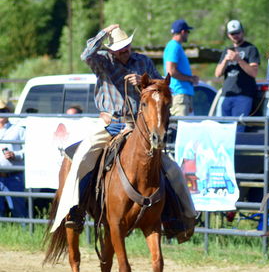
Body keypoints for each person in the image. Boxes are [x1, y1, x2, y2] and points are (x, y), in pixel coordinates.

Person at [53, 24, 197, 242]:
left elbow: (162, 86)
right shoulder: (102, 61)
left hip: (139, 126)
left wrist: (143, 82)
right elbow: (86, 53)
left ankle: (182, 219)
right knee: (82, 157)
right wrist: (104, 33)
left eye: (126, 47)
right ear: (111, 50)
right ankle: (76, 209)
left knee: (172, 169)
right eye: (119, 49)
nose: (124, 52)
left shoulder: (142, 61)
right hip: (110, 124)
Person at [214, 20, 260, 130]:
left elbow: (254, 72)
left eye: (237, 32)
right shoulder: (227, 50)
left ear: (242, 32)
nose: (235, 36)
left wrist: (238, 59)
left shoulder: (251, 49)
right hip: (226, 94)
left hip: (243, 95)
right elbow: (217, 74)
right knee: (220, 128)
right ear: (228, 35)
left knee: (237, 130)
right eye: (232, 33)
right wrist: (225, 59)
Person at [163, 19, 199, 116]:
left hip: (182, 94)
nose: (188, 34)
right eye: (188, 32)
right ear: (183, 32)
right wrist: (190, 78)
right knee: (179, 127)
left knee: (184, 127)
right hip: (179, 93)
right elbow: (171, 71)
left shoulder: (176, 46)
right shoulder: (174, 46)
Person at [0, 100, 26, 218]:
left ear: (8, 112)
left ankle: (25, 231)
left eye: (3, 111)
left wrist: (15, 154)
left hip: (14, 176)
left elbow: (29, 150)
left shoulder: (18, 130)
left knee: (18, 208)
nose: (1, 114)